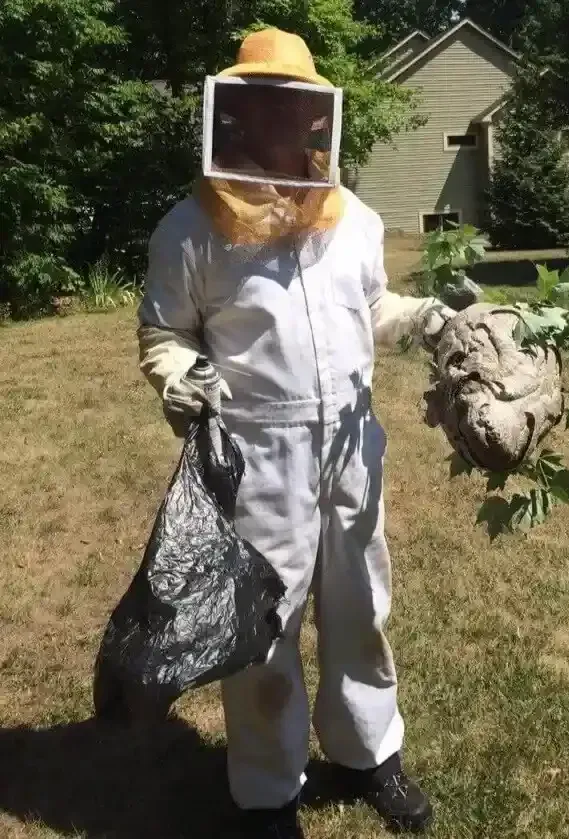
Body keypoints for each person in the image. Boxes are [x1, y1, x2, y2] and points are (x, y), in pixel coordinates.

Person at [137, 28, 455, 839]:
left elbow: (372, 310)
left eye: (293, 103)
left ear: (318, 118)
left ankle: (366, 752)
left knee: (360, 604)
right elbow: (165, 333)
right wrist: (182, 379)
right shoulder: (190, 228)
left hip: (352, 445)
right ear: (233, 113)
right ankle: (268, 790)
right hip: (253, 456)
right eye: (260, 101)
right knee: (262, 628)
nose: (278, 118)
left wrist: (427, 316)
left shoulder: (354, 221)